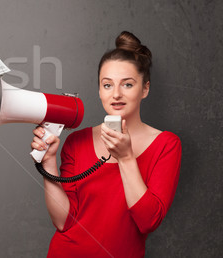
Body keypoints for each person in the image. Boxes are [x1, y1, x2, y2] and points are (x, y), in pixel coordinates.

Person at [31, 31, 182, 257]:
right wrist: (49, 162)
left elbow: (148, 221)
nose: (116, 94)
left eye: (128, 85)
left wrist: (126, 158)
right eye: (107, 85)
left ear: (145, 89)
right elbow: (63, 222)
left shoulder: (166, 145)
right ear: (99, 91)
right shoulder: (77, 141)